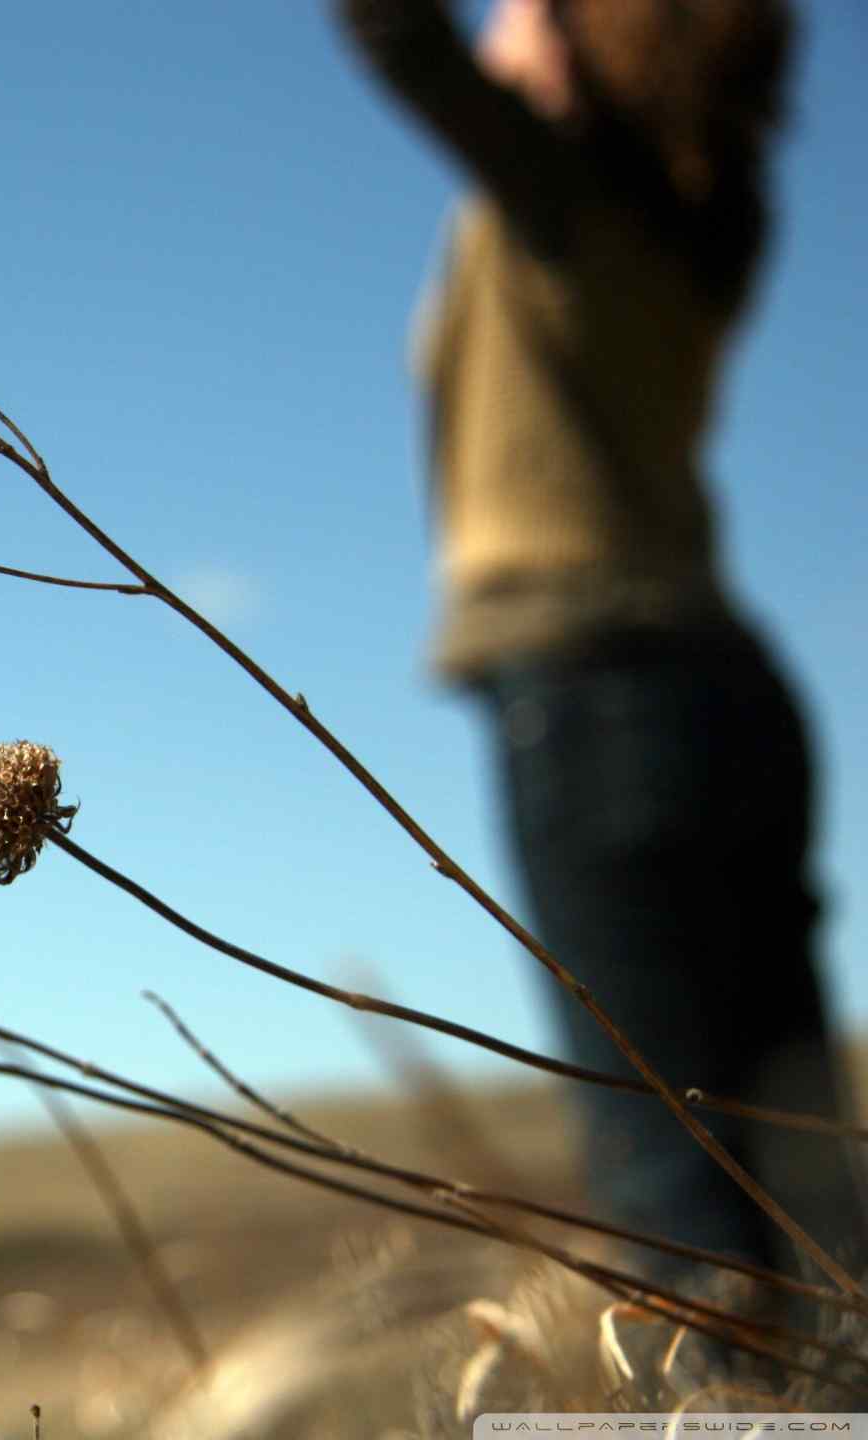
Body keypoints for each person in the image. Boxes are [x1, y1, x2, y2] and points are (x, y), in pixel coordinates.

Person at [334, 0, 862, 1293]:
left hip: (594, 702)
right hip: (734, 700)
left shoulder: (560, 188)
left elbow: (392, 33)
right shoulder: (719, 221)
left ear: (580, 46)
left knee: (678, 1210)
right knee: (812, 1199)